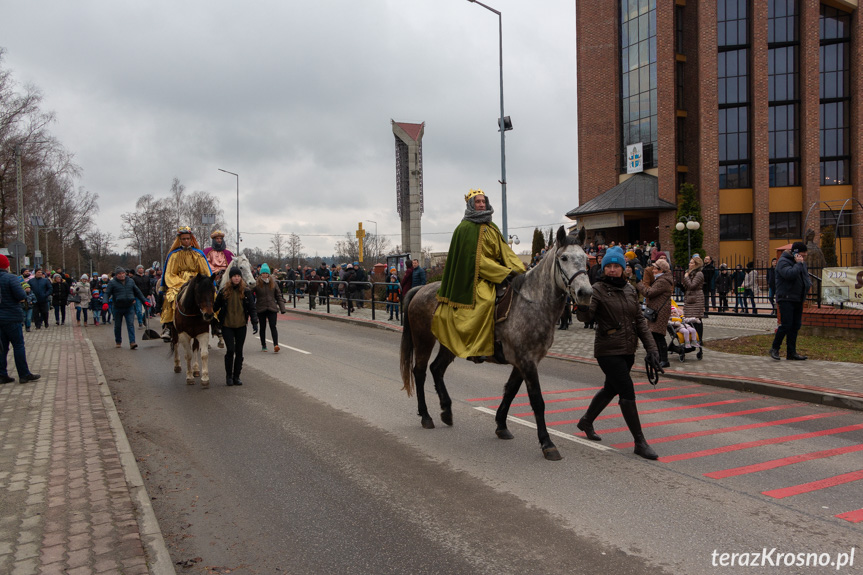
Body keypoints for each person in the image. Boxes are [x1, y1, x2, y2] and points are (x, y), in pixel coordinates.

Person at [574, 246, 662, 460]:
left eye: (616, 266)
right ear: (604, 269)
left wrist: (652, 349)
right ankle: (639, 442)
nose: (612, 270)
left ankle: (586, 421)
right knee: (627, 391)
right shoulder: (597, 289)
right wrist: (583, 307)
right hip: (607, 350)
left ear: (623, 268)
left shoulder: (630, 290)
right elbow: (585, 319)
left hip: (628, 350)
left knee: (610, 389)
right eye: (609, 266)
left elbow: (640, 321)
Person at [431, 189, 525, 363]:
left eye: (483, 201)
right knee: (485, 301)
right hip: (476, 277)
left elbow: (506, 253)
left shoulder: (492, 227)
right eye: (478, 202)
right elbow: (477, 262)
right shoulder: (464, 228)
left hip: (498, 274)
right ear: (470, 205)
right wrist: (504, 272)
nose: (482, 204)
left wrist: (522, 271)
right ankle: (477, 348)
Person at [159, 226, 212, 341]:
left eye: (188, 238)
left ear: (191, 239)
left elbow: (205, 272)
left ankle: (216, 322)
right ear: (179, 240)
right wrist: (183, 283)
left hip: (197, 282)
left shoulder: (198, 254)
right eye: (183, 239)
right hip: (178, 283)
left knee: (211, 296)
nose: (186, 241)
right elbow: (170, 274)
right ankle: (168, 325)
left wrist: (200, 282)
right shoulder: (173, 255)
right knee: (170, 297)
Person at [214, 266, 258, 386]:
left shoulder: (246, 291)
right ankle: (228, 376)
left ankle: (236, 376)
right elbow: (215, 306)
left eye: (238, 276)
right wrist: (207, 313)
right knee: (230, 350)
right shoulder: (223, 291)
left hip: (241, 325)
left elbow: (252, 308)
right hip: (227, 325)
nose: (237, 278)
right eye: (234, 276)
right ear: (231, 278)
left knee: (239, 351)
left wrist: (255, 322)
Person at [0, 254, 40, 384]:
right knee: (18, 345)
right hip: (12, 317)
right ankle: (24, 374)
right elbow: (21, 294)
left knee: (2, 347)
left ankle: (2, 374)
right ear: (6, 265)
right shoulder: (10, 278)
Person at [770, 242, 811, 361]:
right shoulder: (783, 262)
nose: (804, 257)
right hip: (786, 298)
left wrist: (808, 285)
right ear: (796, 253)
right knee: (786, 325)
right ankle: (775, 348)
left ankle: (791, 352)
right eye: (802, 254)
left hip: (797, 298)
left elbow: (805, 277)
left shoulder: (801, 263)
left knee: (795, 325)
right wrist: (798, 264)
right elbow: (789, 275)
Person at [637, 258, 674, 367]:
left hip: (660, 311)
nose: (653, 270)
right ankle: (659, 358)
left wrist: (639, 284)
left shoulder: (663, 281)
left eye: (655, 268)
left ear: (661, 270)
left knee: (658, 335)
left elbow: (648, 292)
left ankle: (664, 360)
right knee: (654, 334)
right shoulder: (662, 279)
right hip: (658, 310)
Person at [104, 267, 148, 349]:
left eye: (123, 273)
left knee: (130, 325)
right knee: (117, 325)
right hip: (117, 307)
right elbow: (107, 293)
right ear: (116, 275)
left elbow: (137, 292)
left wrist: (144, 301)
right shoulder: (112, 283)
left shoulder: (130, 281)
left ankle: (132, 342)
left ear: (125, 273)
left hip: (129, 307)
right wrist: (105, 302)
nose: (121, 275)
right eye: (119, 274)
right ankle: (118, 341)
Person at [253, 263, 286, 352]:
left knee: (273, 326)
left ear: (268, 274)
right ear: (261, 274)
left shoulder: (273, 283)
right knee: (262, 327)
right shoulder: (256, 283)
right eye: (263, 273)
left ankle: (276, 344)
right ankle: (263, 345)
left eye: (266, 273)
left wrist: (282, 308)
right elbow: (250, 293)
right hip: (261, 307)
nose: (264, 275)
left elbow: (278, 296)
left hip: (272, 307)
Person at [681, 255, 705, 343]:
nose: (689, 264)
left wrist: (686, 277)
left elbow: (692, 285)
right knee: (689, 319)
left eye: (691, 263)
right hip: (690, 298)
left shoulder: (699, 274)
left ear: (696, 264)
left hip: (696, 298)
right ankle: (692, 338)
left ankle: (699, 339)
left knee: (697, 319)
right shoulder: (691, 273)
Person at [584, 251, 603, 329]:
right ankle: (591, 323)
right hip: (594, 289)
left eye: (601, 258)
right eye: (598, 258)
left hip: (602, 290)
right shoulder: (594, 268)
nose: (599, 260)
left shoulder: (605, 268)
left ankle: (598, 322)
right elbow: (590, 278)